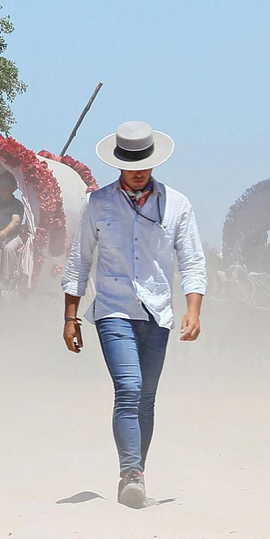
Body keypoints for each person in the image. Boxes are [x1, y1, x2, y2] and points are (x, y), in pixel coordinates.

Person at [62, 121, 205, 509]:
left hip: (157, 312)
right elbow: (79, 261)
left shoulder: (177, 204)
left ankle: (137, 469)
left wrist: (193, 310)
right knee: (128, 388)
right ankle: (131, 474)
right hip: (113, 309)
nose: (138, 170)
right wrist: (71, 317)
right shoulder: (98, 204)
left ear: (154, 162)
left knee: (146, 397)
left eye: (144, 163)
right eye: (130, 164)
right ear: (118, 163)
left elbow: (192, 260)